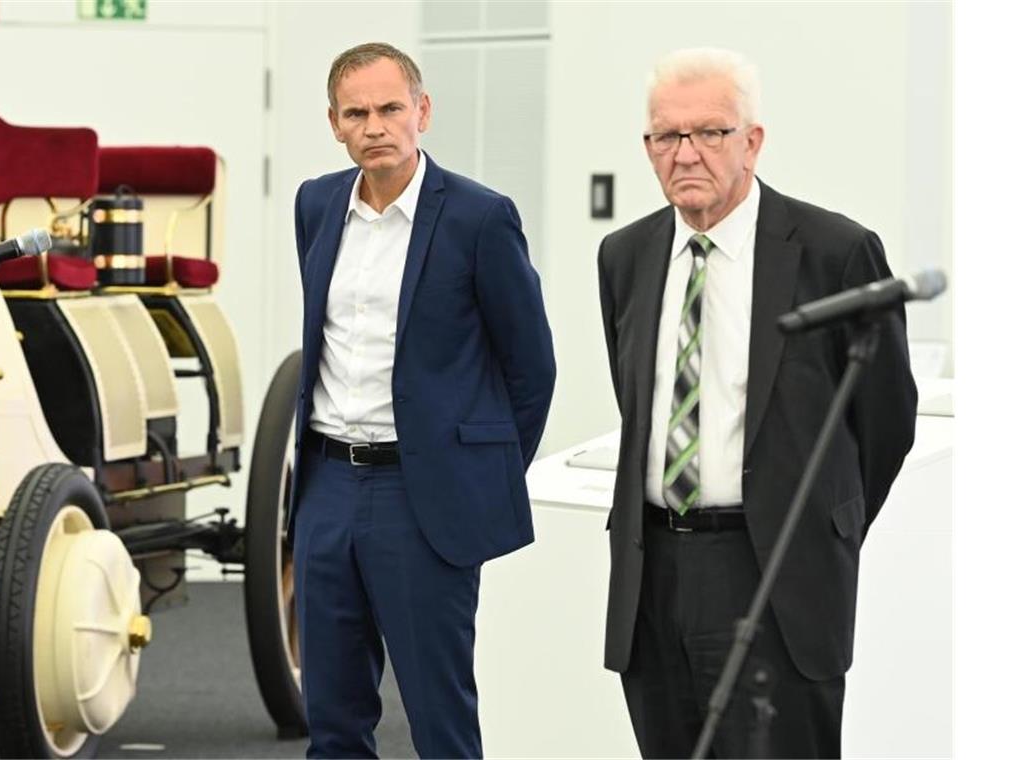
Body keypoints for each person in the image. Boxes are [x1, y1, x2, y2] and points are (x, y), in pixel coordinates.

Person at [597, 47, 916, 758]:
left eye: (709, 132)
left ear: (753, 141)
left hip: (772, 573)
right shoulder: (625, 256)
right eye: (666, 136)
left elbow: (885, 421)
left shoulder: (834, 252)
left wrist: (812, 535)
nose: (685, 153)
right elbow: (635, 404)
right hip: (653, 578)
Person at [287, 42, 556, 759]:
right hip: (325, 486)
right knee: (333, 718)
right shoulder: (316, 204)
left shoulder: (478, 218)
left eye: (390, 108)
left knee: (439, 720)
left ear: (423, 112)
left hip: (419, 494)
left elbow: (531, 368)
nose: (375, 125)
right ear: (335, 124)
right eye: (356, 113)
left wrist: (472, 474)